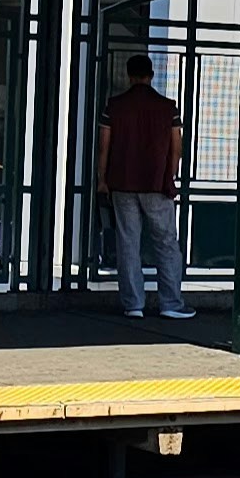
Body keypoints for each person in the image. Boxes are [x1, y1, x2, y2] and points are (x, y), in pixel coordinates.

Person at [98, 52, 193, 321]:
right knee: (166, 244)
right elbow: (177, 148)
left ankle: (133, 305)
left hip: (122, 183)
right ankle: (171, 303)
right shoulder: (168, 107)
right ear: (151, 75)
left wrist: (102, 180)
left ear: (129, 76)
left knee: (128, 243)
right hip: (157, 184)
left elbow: (104, 146)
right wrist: (169, 175)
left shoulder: (114, 106)